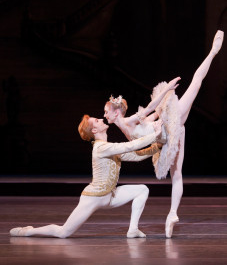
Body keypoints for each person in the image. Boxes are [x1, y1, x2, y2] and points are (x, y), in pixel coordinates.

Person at [104, 30, 224, 238]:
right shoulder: (126, 126)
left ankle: (172, 215)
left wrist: (164, 98)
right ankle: (213, 52)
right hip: (165, 136)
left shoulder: (127, 121)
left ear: (116, 113)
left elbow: (150, 110)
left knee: (178, 174)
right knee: (195, 86)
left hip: (168, 130)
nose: (105, 115)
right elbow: (144, 133)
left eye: (106, 112)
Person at [10, 115, 164, 239]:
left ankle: (133, 230)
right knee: (63, 232)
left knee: (142, 189)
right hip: (93, 197)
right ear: (94, 130)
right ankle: (28, 231)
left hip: (110, 196)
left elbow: (136, 155)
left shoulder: (110, 147)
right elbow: (130, 146)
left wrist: (158, 146)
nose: (101, 119)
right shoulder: (101, 148)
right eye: (97, 121)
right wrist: (154, 135)